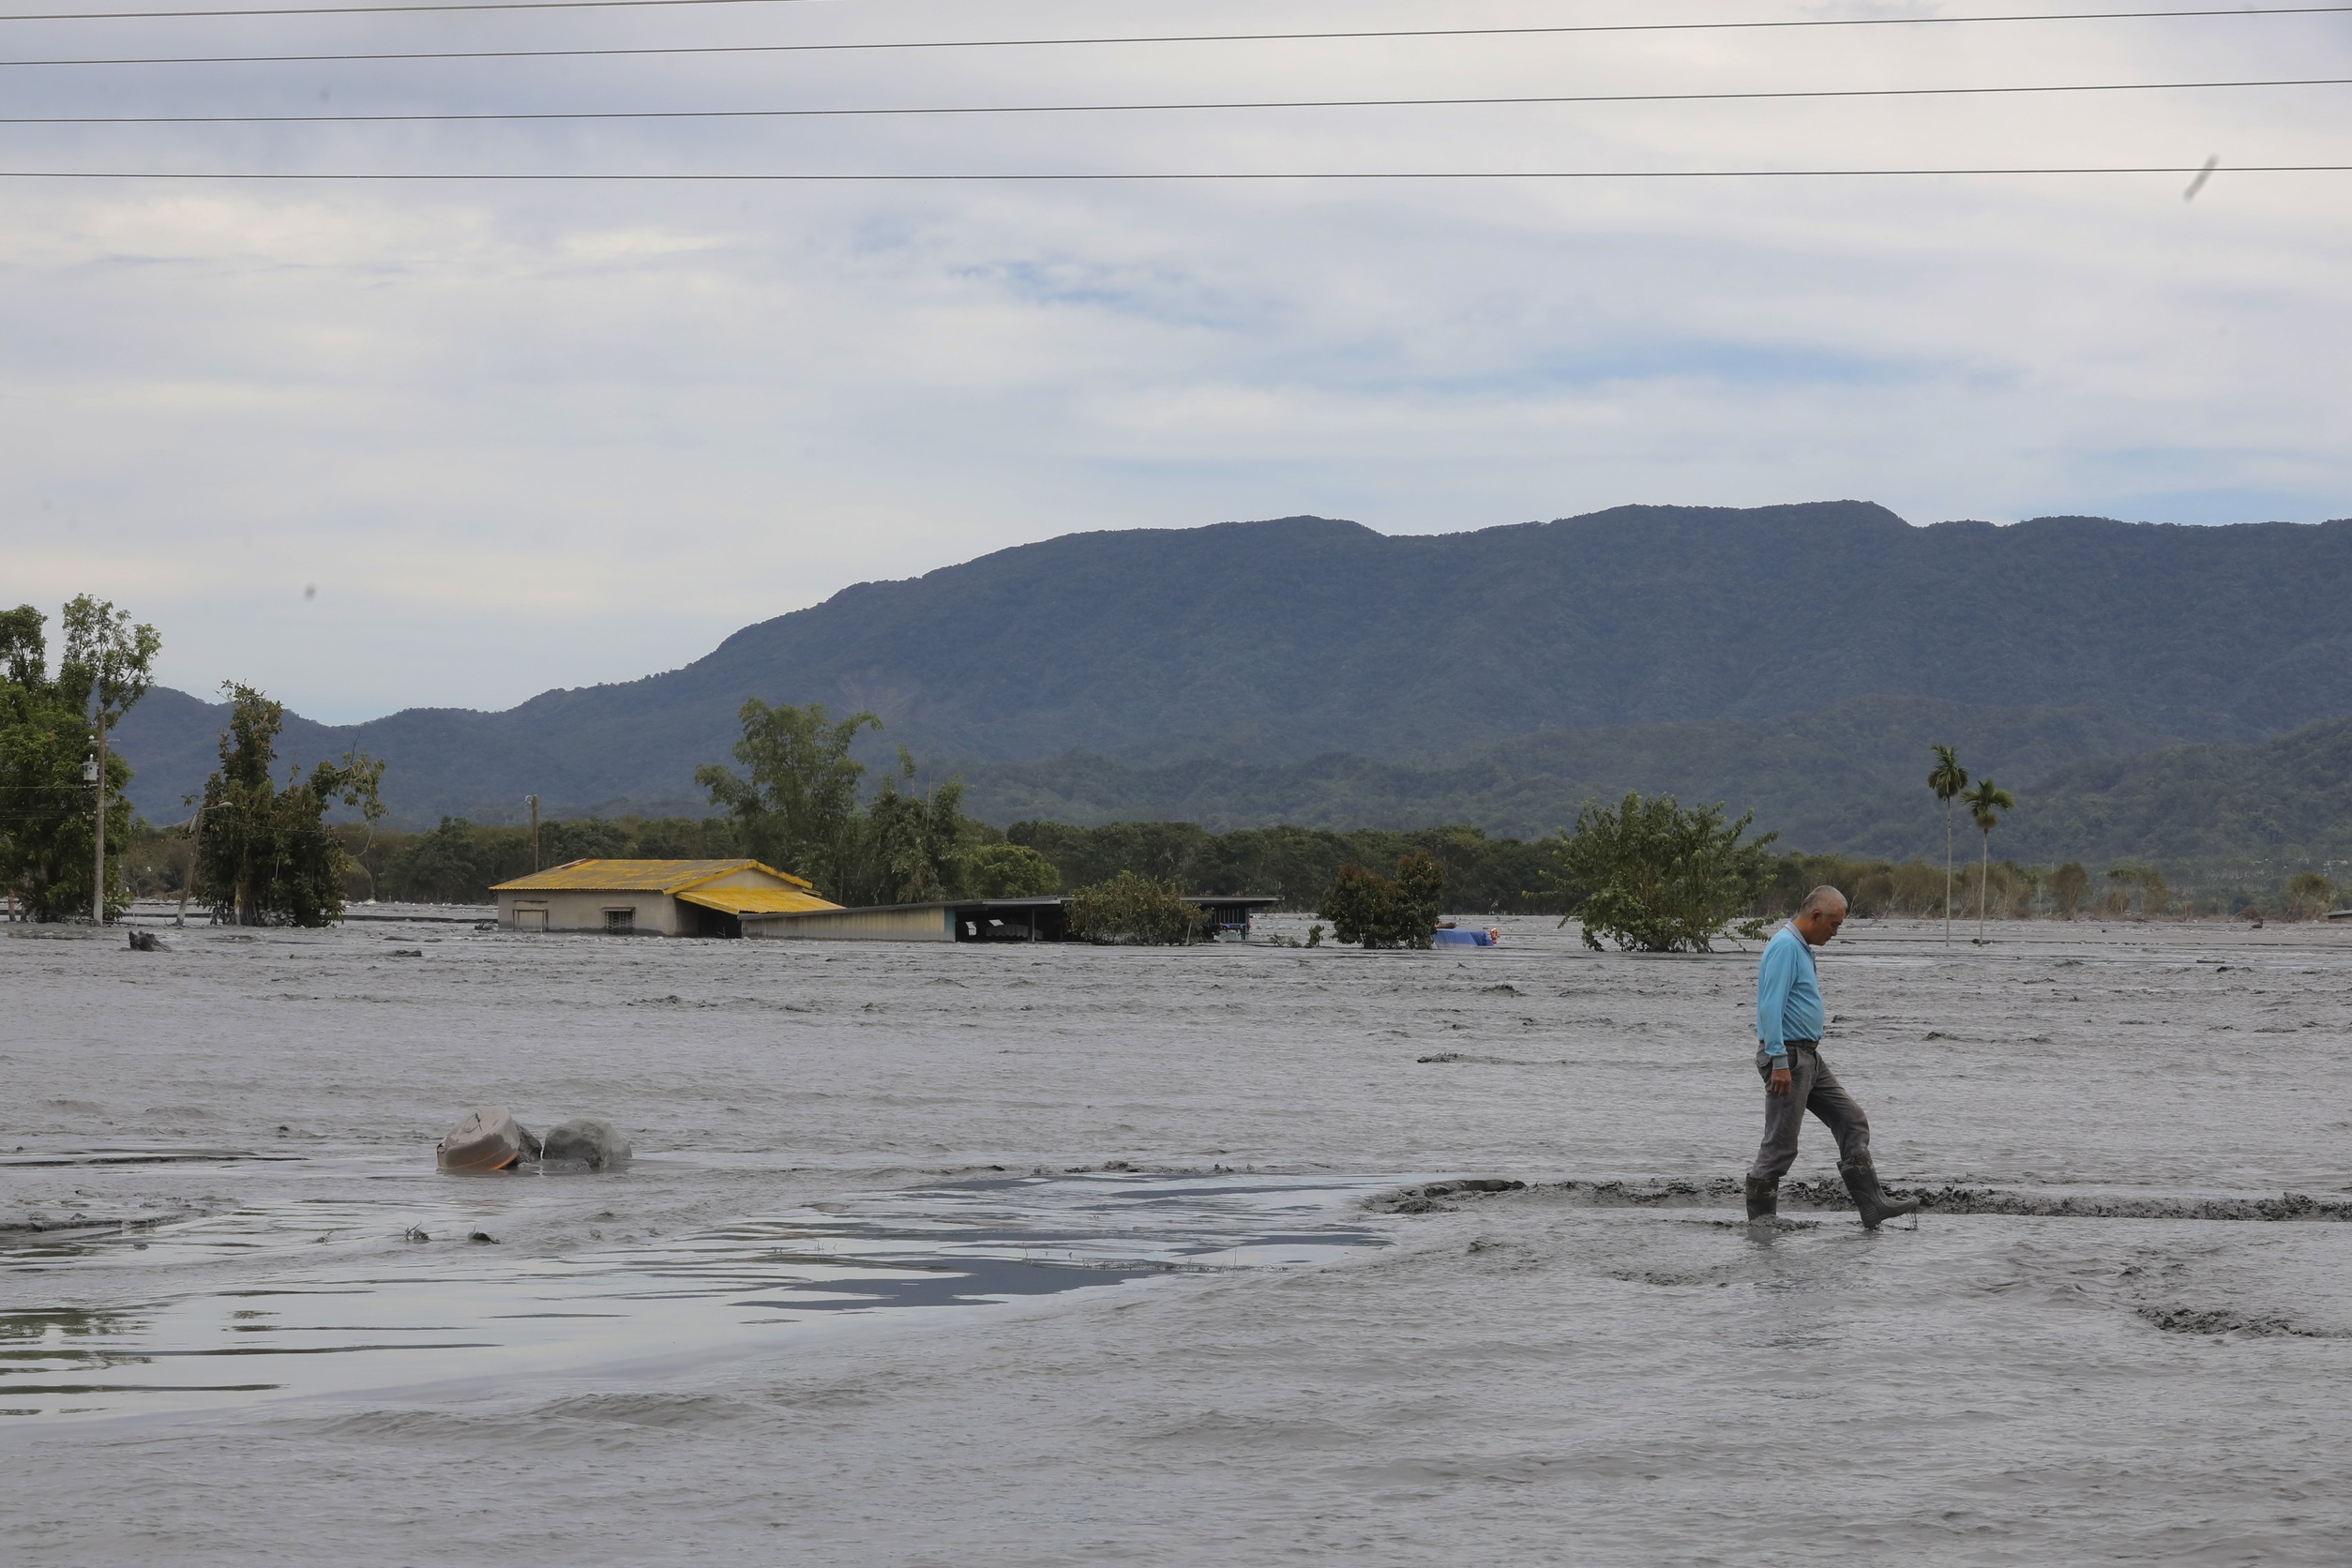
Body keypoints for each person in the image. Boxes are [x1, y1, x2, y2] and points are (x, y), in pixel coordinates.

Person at [1745, 886, 1919, 1228]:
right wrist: (1779, 1062)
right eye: (1834, 925)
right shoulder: (1784, 948)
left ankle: (1873, 1205)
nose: (1835, 932)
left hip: (1808, 1056)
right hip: (1789, 1058)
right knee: (1780, 1147)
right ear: (1815, 917)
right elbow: (1769, 1007)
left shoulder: (1800, 948)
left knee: (1851, 1120)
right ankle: (1762, 1228)